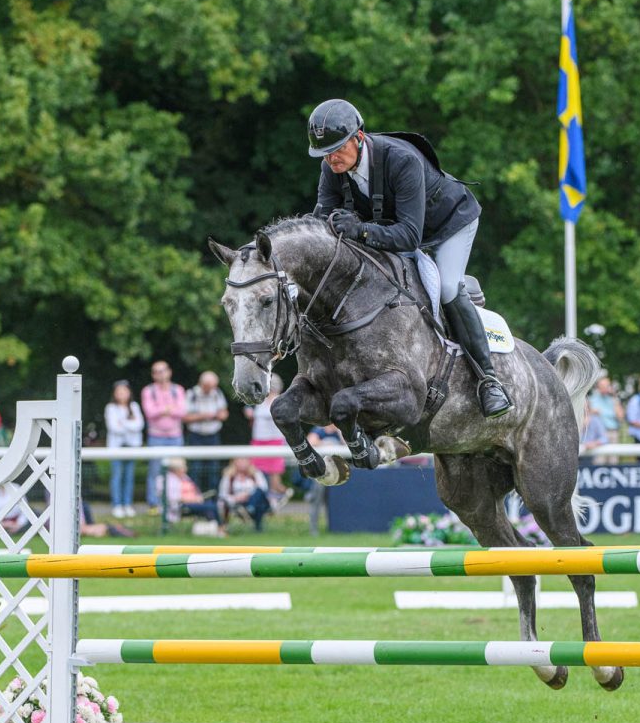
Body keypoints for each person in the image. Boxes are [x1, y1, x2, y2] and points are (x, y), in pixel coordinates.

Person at [307, 98, 512, 419]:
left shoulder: (401, 160)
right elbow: (322, 220)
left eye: (336, 150)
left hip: (446, 225)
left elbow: (409, 237)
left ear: (359, 138)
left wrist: (359, 230)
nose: (331, 158)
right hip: (392, 229)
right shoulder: (331, 167)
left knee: (445, 288)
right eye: (324, 153)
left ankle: (489, 380)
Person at [243, 374, 293, 510]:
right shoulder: (258, 401)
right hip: (258, 440)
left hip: (275, 441)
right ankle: (265, 498)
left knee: (274, 475)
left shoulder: (280, 401)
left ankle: (281, 494)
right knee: (254, 471)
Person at [141, 361, 186, 511]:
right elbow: (149, 413)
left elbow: (182, 412)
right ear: (153, 375)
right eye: (156, 371)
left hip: (175, 436)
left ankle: (176, 502)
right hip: (156, 437)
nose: (160, 374)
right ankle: (154, 503)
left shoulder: (178, 389)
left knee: (177, 470)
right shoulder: (148, 391)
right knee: (155, 471)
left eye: (163, 370)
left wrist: (161, 410)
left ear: (169, 372)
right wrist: (168, 409)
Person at [184, 371, 229, 494]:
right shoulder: (191, 394)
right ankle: (194, 498)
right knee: (195, 469)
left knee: (213, 469)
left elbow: (224, 413)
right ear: (202, 384)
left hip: (213, 436)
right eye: (209, 387)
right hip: (196, 436)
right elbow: (185, 417)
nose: (211, 389)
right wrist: (203, 416)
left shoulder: (217, 393)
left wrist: (218, 416)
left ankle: (213, 498)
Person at [104, 380, 144, 518]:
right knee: (117, 476)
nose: (121, 394)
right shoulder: (110, 408)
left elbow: (139, 425)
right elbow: (114, 428)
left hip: (131, 447)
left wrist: (123, 423)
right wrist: (129, 424)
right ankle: (117, 505)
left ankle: (127, 504)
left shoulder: (134, 406)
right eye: (118, 392)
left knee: (129, 476)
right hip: (117, 448)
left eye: (124, 391)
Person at [160, 458, 223, 533]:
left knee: (211, 506)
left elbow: (195, 490)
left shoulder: (185, 477)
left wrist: (198, 497)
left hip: (193, 502)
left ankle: (215, 529)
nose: (186, 468)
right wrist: (193, 499)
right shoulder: (167, 479)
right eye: (183, 467)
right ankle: (220, 529)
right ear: (176, 469)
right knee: (211, 506)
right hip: (180, 505)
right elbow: (174, 498)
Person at [217, 458, 271, 532]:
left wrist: (248, 495)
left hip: (254, 500)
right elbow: (222, 494)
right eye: (240, 460)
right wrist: (236, 498)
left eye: (245, 460)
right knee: (258, 502)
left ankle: (251, 508)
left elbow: (263, 489)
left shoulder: (256, 474)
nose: (242, 463)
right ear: (234, 462)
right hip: (236, 503)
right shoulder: (229, 476)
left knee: (259, 494)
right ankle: (251, 510)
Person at [588, 374, 625, 463]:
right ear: (598, 387)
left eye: (607, 386)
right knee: (599, 460)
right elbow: (587, 416)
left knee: (613, 461)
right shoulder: (592, 399)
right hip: (599, 434)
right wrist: (593, 412)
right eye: (603, 386)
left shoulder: (613, 399)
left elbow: (620, 417)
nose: (605, 388)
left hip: (612, 432)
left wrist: (614, 398)